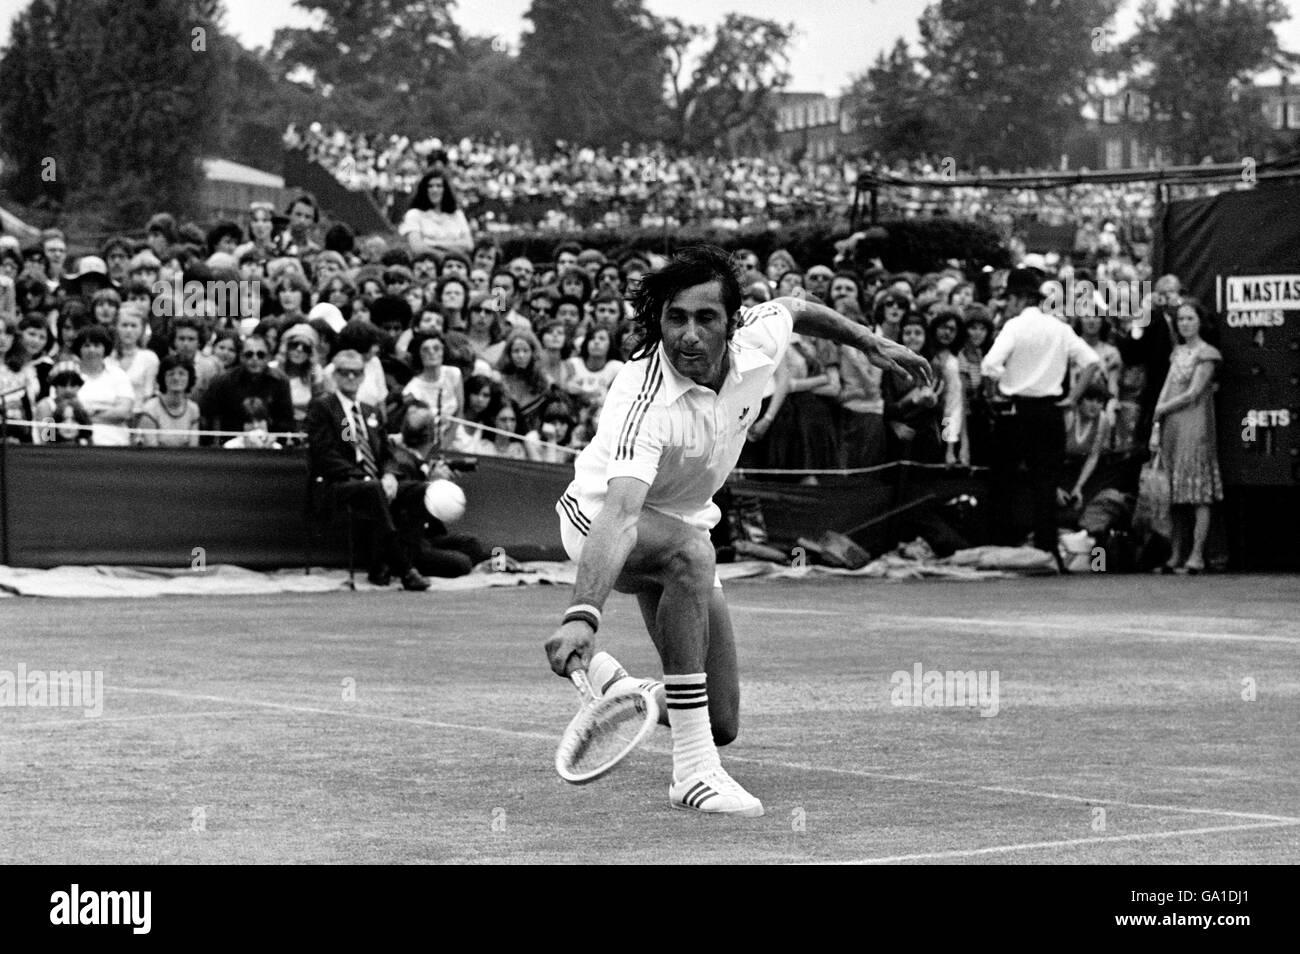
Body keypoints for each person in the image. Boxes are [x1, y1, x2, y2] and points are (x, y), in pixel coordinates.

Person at [542, 245, 929, 816]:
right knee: (695, 553)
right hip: (598, 523)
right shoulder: (640, 394)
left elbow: (797, 308)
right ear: (659, 321)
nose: (690, 336)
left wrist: (867, 341)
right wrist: (583, 614)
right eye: (676, 318)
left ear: (733, 321)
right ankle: (693, 775)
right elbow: (620, 515)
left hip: (680, 524)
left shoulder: (759, 339)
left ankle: (632, 695)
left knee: (720, 719)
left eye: (706, 319)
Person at [981, 267, 1101, 562]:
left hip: (1015, 410)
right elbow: (1091, 362)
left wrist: (995, 391)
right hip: (1049, 412)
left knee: (1004, 481)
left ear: (1020, 299)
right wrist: (1071, 398)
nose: (1008, 304)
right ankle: (1046, 550)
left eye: (1010, 298)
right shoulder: (1059, 328)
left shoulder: (1013, 327)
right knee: (1045, 485)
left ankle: (1003, 545)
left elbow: (989, 366)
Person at [304, 349, 431, 591]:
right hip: (337, 483)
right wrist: (364, 476)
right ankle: (405, 570)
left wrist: (390, 474)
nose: (351, 377)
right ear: (335, 375)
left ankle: (381, 563)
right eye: (344, 372)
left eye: (356, 373)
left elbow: (386, 453)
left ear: (363, 376)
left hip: (373, 482)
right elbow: (324, 455)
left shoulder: (370, 411)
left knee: (419, 490)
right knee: (373, 489)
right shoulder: (324, 407)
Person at [1150, 299, 1222, 574]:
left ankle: (1197, 554)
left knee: (1198, 491)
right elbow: (1168, 388)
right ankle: (1176, 553)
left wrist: (1161, 409)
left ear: (1200, 322)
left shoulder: (1208, 354)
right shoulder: (1177, 352)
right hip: (1172, 426)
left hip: (1195, 425)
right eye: (1181, 319)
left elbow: (1193, 393)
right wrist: (1158, 419)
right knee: (1175, 492)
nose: (1185, 324)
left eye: (1190, 318)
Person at [385, 406, 490, 578]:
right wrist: (433, 485)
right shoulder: (402, 463)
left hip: (426, 537)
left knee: (472, 545)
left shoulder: (414, 460)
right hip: (408, 543)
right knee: (461, 563)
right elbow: (406, 518)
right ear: (432, 437)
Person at [200, 333, 294, 438]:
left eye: (260, 355)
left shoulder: (280, 381)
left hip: (270, 446)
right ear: (241, 357)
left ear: (268, 357)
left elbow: (286, 421)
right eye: (249, 354)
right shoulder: (222, 381)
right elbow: (208, 418)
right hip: (230, 446)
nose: (255, 359)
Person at [72, 325, 135, 446]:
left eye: (97, 346)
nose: (92, 350)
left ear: (105, 348)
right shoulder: (69, 372)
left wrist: (84, 418)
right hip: (77, 444)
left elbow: (124, 412)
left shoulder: (118, 374)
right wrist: (105, 412)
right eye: (86, 345)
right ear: (79, 349)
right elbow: (61, 408)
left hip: (115, 442)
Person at [400, 170, 473, 257]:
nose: (434, 190)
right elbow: (417, 248)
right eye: (430, 186)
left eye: (439, 186)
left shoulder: (457, 214)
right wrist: (447, 253)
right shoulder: (414, 214)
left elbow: (468, 245)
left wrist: (433, 244)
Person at [138, 354, 201, 447]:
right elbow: (151, 450)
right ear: (163, 378)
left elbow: (193, 448)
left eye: (182, 374)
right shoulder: (150, 409)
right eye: (171, 374)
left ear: (189, 378)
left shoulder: (193, 409)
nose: (176, 378)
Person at [32, 360, 92, 445]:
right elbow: (46, 440)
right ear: (55, 386)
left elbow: (87, 436)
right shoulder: (46, 405)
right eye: (63, 385)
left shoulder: (81, 404)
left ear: (79, 386)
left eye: (73, 385)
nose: (68, 390)